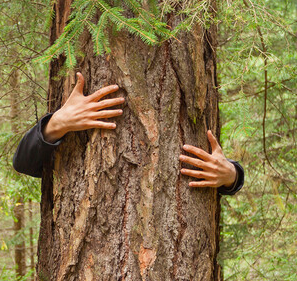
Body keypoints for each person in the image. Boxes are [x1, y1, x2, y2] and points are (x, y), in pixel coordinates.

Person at [12, 72, 244, 195]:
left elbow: (223, 167)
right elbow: (24, 162)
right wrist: (55, 124)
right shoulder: (65, 115)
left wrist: (232, 176)